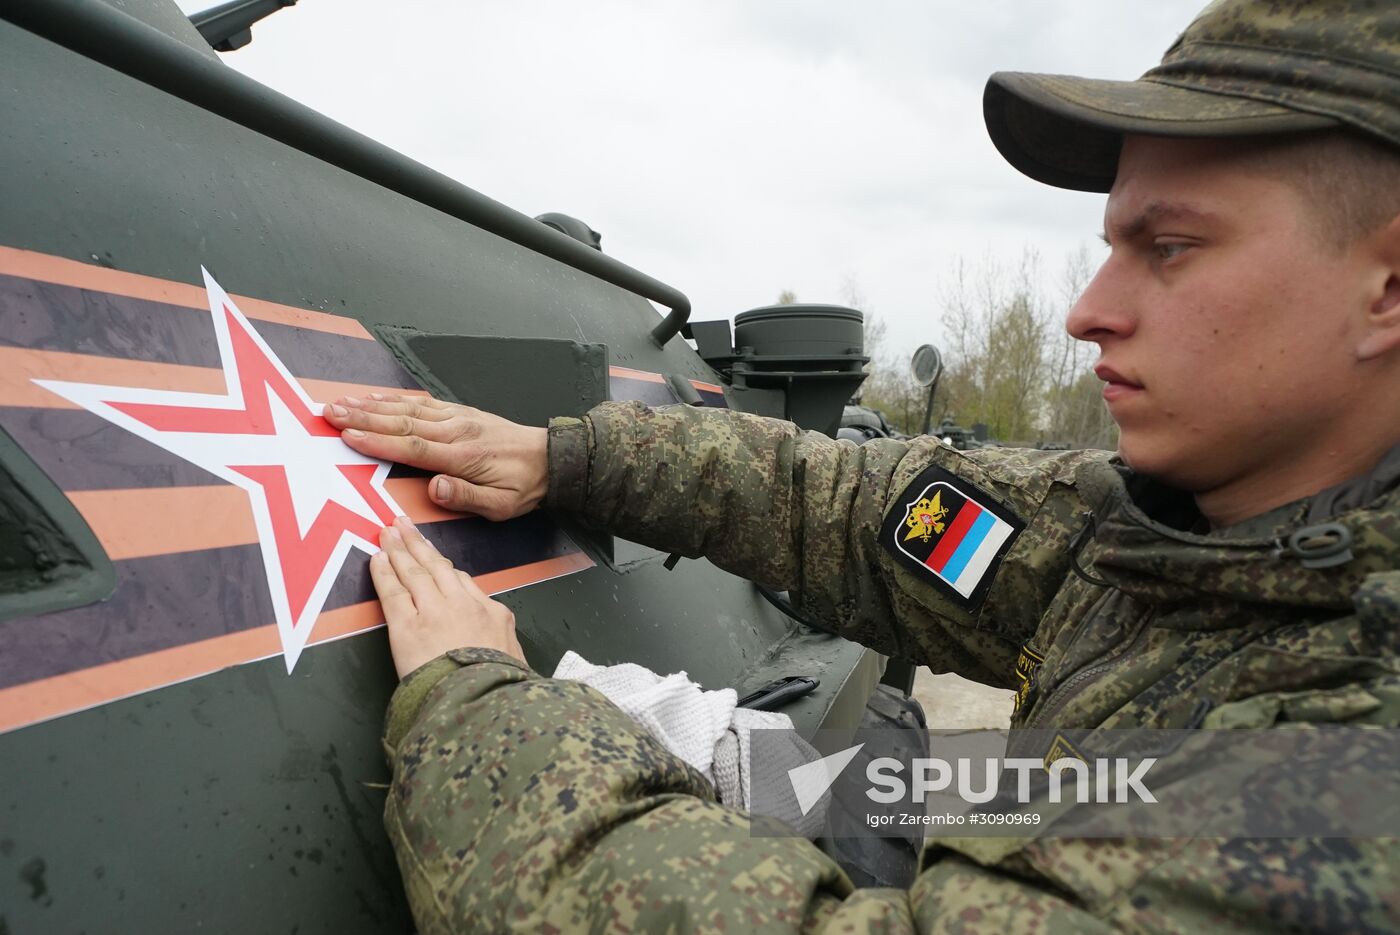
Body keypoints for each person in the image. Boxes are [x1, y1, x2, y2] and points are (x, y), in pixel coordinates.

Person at [330, 0, 1400, 930]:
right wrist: (570, 457)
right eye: (1110, 246)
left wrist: (483, 717)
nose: (1087, 311)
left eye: (1169, 247)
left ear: (1386, 285)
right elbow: (851, 508)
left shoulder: (1344, 771)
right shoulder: (1174, 542)